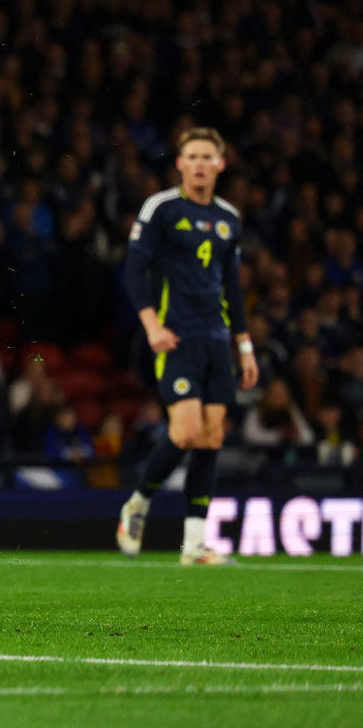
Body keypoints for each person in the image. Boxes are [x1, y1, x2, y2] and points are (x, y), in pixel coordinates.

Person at [117, 127, 259, 565]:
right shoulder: (161, 208)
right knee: (186, 431)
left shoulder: (228, 217)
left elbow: (232, 287)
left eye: (206, 157)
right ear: (180, 164)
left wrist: (245, 344)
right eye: (191, 156)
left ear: (221, 164)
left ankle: (194, 545)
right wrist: (151, 325)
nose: (199, 163)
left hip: (217, 340)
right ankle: (137, 504)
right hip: (175, 336)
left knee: (212, 436)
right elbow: (134, 271)